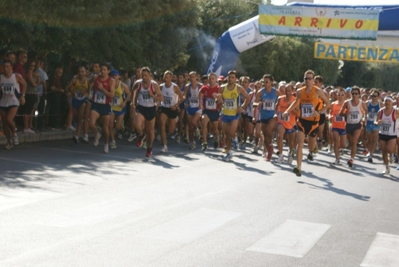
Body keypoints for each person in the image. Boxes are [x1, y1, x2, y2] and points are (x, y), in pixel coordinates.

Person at [283, 70, 330, 177]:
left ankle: (314, 147)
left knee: (310, 147)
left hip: (313, 122)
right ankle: (298, 167)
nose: (307, 80)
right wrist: (287, 111)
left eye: (309, 78)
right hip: (302, 121)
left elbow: (328, 104)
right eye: (305, 78)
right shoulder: (300, 91)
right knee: (299, 144)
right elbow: (296, 102)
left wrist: (319, 112)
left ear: (313, 80)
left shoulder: (318, 91)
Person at [216, 70, 249, 161]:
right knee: (226, 134)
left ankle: (235, 139)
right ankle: (229, 152)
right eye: (229, 77)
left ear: (236, 79)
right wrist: (218, 100)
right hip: (225, 113)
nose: (230, 79)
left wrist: (242, 107)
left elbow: (248, 98)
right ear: (227, 78)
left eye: (232, 77)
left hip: (234, 114)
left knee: (231, 132)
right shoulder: (222, 88)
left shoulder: (239, 88)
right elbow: (218, 100)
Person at [132, 67, 163, 157]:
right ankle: (141, 135)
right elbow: (134, 92)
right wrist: (133, 102)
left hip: (150, 108)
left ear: (150, 76)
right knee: (137, 124)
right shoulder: (138, 84)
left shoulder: (154, 85)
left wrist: (152, 95)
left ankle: (149, 148)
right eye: (142, 75)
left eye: (146, 75)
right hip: (141, 107)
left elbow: (161, 98)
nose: (144, 77)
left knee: (150, 131)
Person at [88, 63, 115, 153]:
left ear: (108, 71)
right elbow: (89, 82)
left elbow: (112, 95)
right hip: (96, 104)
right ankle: (97, 134)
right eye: (101, 69)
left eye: (104, 70)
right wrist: (90, 93)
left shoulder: (111, 81)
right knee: (91, 123)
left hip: (105, 105)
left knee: (105, 128)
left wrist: (102, 89)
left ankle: (106, 144)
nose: (102, 71)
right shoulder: (96, 77)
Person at [253, 74, 280, 161]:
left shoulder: (276, 92)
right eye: (264, 81)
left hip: (272, 116)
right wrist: (258, 104)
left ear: (271, 82)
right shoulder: (260, 92)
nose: (265, 83)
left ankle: (270, 145)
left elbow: (281, 101)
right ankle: (269, 151)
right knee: (265, 135)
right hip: (263, 116)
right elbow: (254, 104)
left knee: (269, 130)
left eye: (267, 81)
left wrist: (278, 111)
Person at [0, 60, 26, 149]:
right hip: (3, 101)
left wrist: (23, 96)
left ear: (11, 67)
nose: (5, 69)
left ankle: (14, 134)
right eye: (4, 67)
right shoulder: (1, 77)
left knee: (9, 119)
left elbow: (25, 84)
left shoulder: (16, 76)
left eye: (7, 67)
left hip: (13, 101)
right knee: (4, 123)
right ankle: (9, 141)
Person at [339, 86, 367, 168]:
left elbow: (365, 111)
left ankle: (351, 159)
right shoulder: (347, 103)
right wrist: (347, 113)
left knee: (354, 142)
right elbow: (340, 113)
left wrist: (364, 118)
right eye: (353, 93)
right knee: (351, 143)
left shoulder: (362, 103)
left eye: (356, 93)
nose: (354, 95)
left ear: (359, 94)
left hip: (357, 124)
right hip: (349, 125)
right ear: (351, 94)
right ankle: (352, 154)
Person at [158, 70, 182, 152]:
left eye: (167, 77)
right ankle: (164, 145)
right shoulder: (161, 86)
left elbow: (182, 98)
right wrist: (157, 105)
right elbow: (158, 96)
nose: (166, 79)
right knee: (162, 124)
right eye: (165, 77)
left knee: (171, 130)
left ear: (171, 78)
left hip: (172, 109)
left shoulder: (175, 87)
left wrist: (176, 106)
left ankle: (175, 119)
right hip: (164, 107)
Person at [375, 96, 399, 175]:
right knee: (383, 152)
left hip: (392, 134)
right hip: (382, 134)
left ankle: (391, 154)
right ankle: (387, 167)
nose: (387, 103)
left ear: (392, 102)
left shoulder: (396, 112)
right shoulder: (381, 111)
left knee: (389, 149)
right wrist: (377, 122)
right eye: (386, 101)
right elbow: (376, 121)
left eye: (389, 101)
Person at [66, 66, 90, 144]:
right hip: (75, 100)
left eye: (82, 71)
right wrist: (69, 92)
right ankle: (80, 134)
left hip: (84, 100)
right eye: (79, 71)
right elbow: (67, 87)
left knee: (80, 117)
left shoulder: (88, 81)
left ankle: (78, 135)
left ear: (85, 72)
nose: (80, 73)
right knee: (77, 118)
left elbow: (92, 90)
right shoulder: (74, 80)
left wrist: (86, 90)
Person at [274, 83, 297, 164]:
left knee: (291, 142)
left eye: (289, 91)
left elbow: (298, 113)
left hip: (291, 123)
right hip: (282, 121)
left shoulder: (295, 100)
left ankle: (290, 153)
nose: (287, 92)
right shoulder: (280, 98)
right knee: (280, 136)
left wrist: (291, 107)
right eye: (286, 91)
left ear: (292, 91)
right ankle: (280, 155)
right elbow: (276, 107)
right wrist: (276, 114)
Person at [109, 69, 131, 148]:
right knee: (110, 124)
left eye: (115, 75)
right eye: (112, 76)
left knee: (117, 127)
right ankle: (113, 141)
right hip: (111, 107)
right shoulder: (108, 84)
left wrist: (125, 102)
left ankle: (121, 126)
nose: (114, 77)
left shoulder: (122, 85)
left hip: (120, 108)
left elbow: (129, 94)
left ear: (118, 77)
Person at [199, 72, 221, 150]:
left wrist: (216, 98)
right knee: (204, 123)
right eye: (210, 79)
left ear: (216, 80)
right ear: (208, 79)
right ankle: (204, 142)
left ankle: (216, 139)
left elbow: (221, 101)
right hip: (206, 110)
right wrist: (200, 103)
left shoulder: (219, 89)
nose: (211, 80)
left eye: (213, 79)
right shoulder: (204, 88)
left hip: (214, 111)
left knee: (215, 129)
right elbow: (200, 94)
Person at [184, 71, 202, 150]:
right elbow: (185, 96)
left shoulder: (200, 86)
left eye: (193, 77)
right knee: (191, 127)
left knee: (194, 122)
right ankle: (193, 142)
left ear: (196, 77)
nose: (192, 78)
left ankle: (198, 130)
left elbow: (204, 95)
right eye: (190, 77)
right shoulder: (187, 86)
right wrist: (185, 101)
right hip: (190, 107)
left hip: (198, 107)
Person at [329, 88, 347, 165]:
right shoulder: (333, 104)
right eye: (339, 94)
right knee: (336, 141)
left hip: (343, 126)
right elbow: (330, 113)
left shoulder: (346, 104)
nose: (340, 96)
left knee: (342, 144)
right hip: (335, 125)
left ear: (345, 96)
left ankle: (339, 150)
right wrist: (329, 116)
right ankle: (337, 158)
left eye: (342, 95)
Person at [364, 90, 383, 163]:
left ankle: (370, 154)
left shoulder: (380, 104)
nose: (373, 97)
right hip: (369, 123)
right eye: (372, 95)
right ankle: (369, 150)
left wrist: (380, 121)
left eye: (375, 96)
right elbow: (365, 113)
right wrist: (364, 119)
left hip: (376, 124)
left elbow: (383, 113)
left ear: (378, 97)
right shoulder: (367, 103)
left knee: (374, 139)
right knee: (369, 140)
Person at [21, 60, 39, 133]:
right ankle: (26, 127)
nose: (32, 67)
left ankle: (29, 126)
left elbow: (37, 83)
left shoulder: (33, 73)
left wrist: (38, 77)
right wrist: (37, 77)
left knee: (31, 111)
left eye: (34, 66)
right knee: (27, 111)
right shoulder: (28, 73)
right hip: (29, 93)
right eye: (31, 65)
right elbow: (34, 84)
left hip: (33, 93)